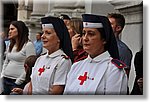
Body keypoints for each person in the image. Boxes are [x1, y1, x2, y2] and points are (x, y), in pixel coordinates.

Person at [63, 14, 127, 95]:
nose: (85, 38)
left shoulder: (113, 70)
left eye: (91, 34)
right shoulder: (76, 66)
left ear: (104, 39)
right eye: (84, 33)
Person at [28, 16, 73, 95]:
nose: (42, 36)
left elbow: (57, 91)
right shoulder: (40, 59)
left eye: (48, 33)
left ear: (59, 38)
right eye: (43, 33)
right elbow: (31, 85)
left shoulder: (63, 61)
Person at [1, 21, 36, 95]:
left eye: (12, 29)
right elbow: (6, 61)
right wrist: (3, 74)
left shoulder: (28, 45)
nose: (9, 31)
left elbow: (30, 64)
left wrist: (19, 81)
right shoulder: (11, 44)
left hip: (17, 82)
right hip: (5, 79)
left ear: (19, 30)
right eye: (9, 29)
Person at [107, 13, 133, 78]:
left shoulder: (123, 50)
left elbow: (124, 75)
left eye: (110, 24)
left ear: (118, 28)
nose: (106, 26)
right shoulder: (99, 45)